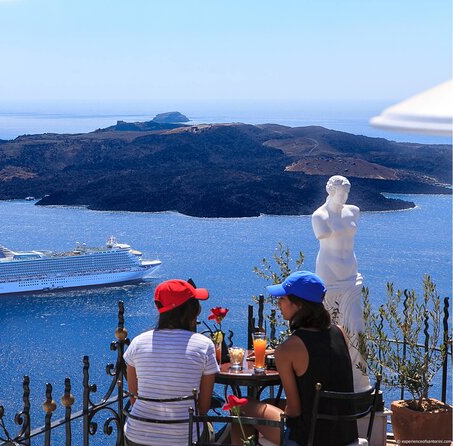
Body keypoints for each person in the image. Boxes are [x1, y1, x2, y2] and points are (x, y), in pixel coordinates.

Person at [235, 271, 358, 446]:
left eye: (282, 299)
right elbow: (320, 357)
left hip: (310, 437)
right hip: (345, 432)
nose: (278, 303)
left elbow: (294, 410)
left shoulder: (288, 349)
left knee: (239, 408)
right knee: (269, 403)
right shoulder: (340, 332)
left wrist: (279, 353)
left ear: (298, 305)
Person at [123, 279, 220, 446]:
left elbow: (134, 399)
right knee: (210, 429)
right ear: (190, 310)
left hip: (137, 436)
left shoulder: (138, 343)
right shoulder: (204, 345)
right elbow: (203, 408)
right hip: (185, 438)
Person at [312, 175, 370, 391]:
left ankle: (359, 381)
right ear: (330, 191)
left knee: (356, 328)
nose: (345, 197)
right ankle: (332, 381)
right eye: (341, 192)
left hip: (351, 278)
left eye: (347, 192)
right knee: (331, 331)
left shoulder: (353, 211)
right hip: (330, 278)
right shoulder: (320, 216)